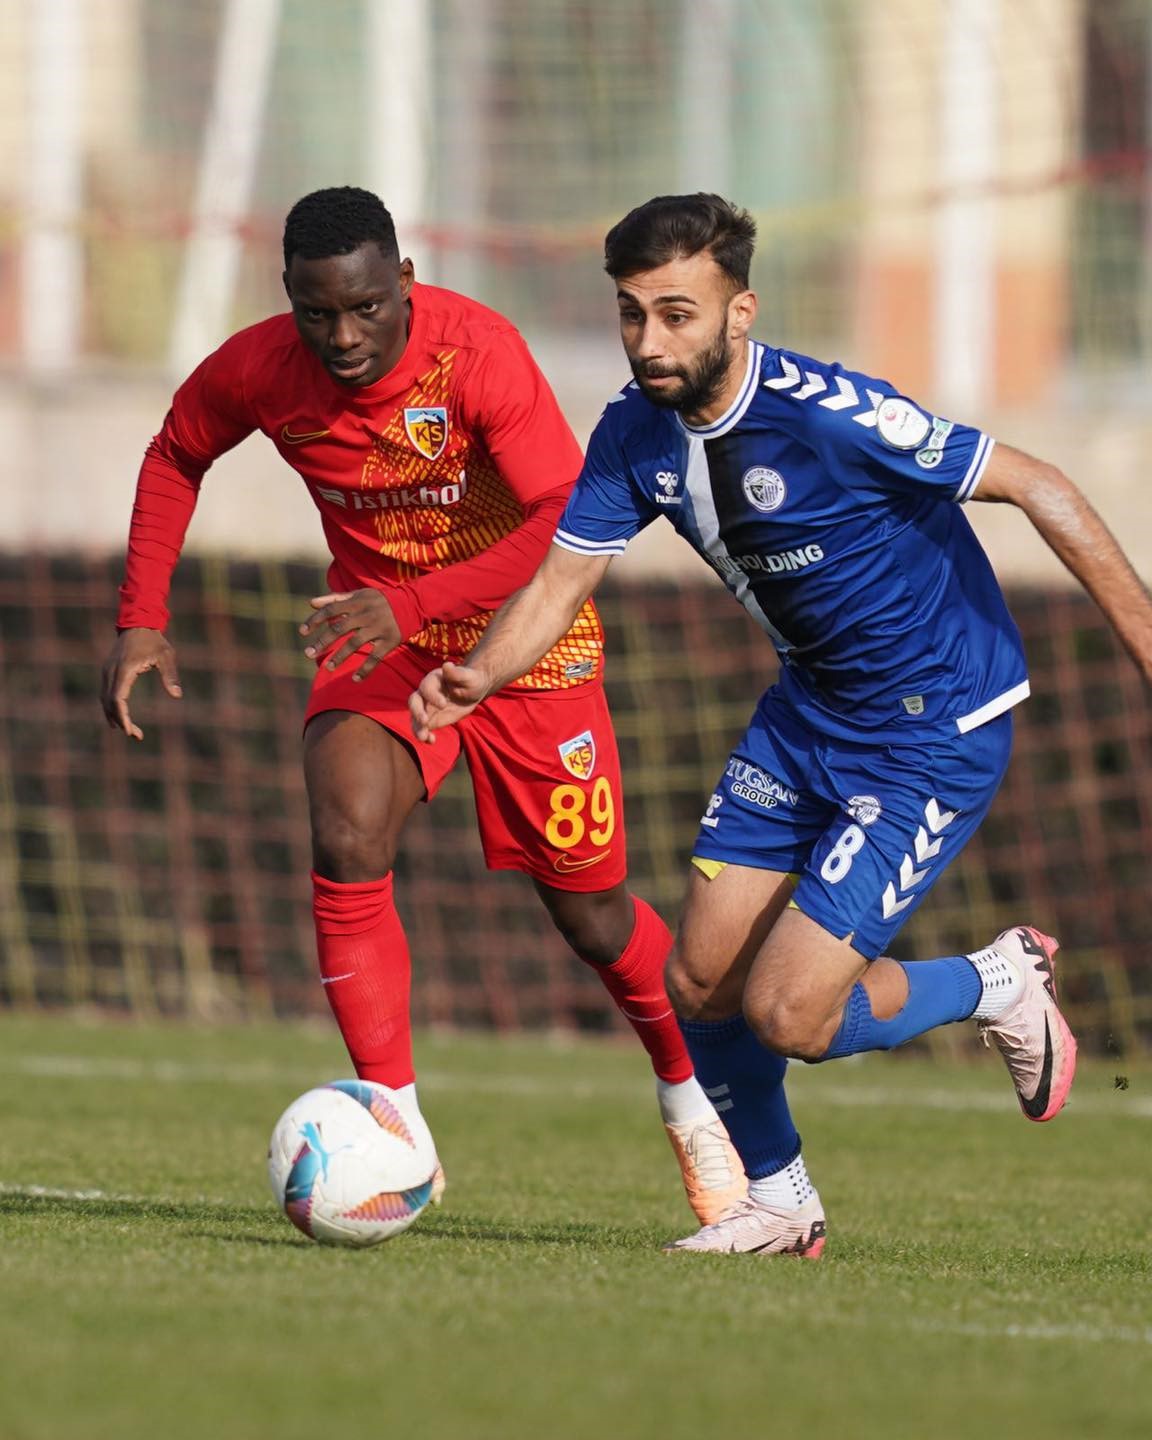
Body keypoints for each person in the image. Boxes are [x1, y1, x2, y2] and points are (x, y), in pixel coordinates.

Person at [411, 191, 1152, 1258]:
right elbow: (562, 580)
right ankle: (781, 1203)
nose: (649, 342)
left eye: (676, 314)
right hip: (807, 712)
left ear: (740, 311)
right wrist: (479, 673)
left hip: (932, 727)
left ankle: (995, 983)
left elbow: (1042, 486)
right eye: (631, 314)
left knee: (790, 1015)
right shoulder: (631, 431)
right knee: (698, 982)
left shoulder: (831, 415)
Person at [99, 185, 746, 1225]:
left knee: (592, 915)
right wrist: (141, 616)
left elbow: (566, 518)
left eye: (366, 308)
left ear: (405, 281)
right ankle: (395, 1130)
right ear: (288, 298)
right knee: (346, 830)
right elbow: (178, 449)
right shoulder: (258, 368)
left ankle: (694, 1098)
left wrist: (411, 603)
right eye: (318, 314)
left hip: (527, 643)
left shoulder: (477, 354)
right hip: (383, 643)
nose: (344, 337)